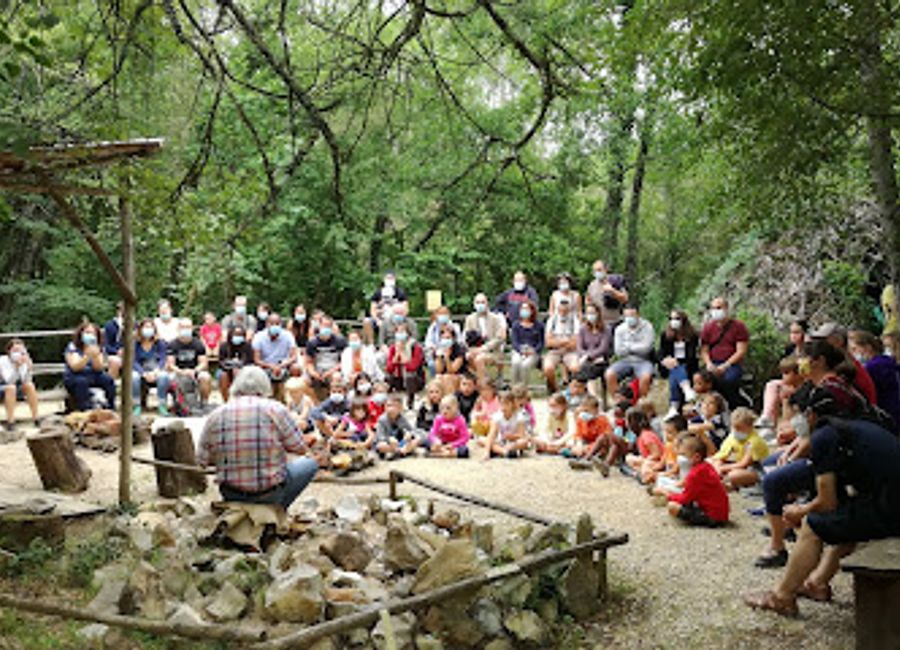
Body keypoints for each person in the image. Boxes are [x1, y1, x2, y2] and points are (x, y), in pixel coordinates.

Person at [745, 386, 900, 617]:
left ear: (810, 414)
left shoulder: (825, 436)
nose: (795, 422)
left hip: (891, 509)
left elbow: (826, 502)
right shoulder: (854, 427)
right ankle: (816, 583)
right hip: (890, 503)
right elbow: (837, 500)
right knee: (844, 518)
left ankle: (782, 597)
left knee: (813, 525)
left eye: (796, 414)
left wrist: (800, 510)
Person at [755, 341, 871, 569]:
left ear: (818, 361)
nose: (800, 363)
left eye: (803, 358)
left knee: (773, 481)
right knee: (771, 464)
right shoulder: (826, 386)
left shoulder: (831, 391)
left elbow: (823, 436)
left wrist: (795, 454)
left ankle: (777, 546)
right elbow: (810, 432)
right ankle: (787, 524)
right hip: (835, 452)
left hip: (843, 460)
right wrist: (792, 449)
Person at [197, 366, 317, 510]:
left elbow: (201, 460)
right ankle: (276, 510)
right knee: (309, 464)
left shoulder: (216, 415)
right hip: (269, 493)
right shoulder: (276, 409)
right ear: (265, 387)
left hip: (232, 493)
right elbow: (299, 448)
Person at [666, 433, 729, 527]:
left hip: (713, 517)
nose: (680, 458)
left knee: (672, 507)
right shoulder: (705, 466)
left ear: (696, 457)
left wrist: (668, 495)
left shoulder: (695, 473)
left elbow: (686, 498)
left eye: (683, 454)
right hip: (719, 512)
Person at [809, 322, 877, 405]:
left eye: (823, 340)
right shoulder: (843, 363)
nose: (817, 345)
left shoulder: (846, 368)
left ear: (838, 341)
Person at [699, 297, 749, 408]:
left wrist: (725, 365)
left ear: (726, 309)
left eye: (718, 308)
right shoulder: (708, 328)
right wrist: (708, 363)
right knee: (703, 381)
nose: (715, 311)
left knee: (728, 380)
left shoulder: (738, 326)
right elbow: (704, 349)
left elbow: (741, 350)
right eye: (713, 308)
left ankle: (738, 404)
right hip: (713, 362)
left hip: (732, 364)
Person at [848, 329, 900, 432]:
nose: (853, 353)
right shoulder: (886, 360)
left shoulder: (872, 367)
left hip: (888, 412)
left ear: (867, 347)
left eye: (855, 349)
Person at [710, 406, 769, 490]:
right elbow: (721, 455)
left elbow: (744, 464)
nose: (736, 431)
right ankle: (721, 481)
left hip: (756, 470)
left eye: (740, 428)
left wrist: (723, 468)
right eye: (734, 428)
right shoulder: (733, 436)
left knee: (734, 475)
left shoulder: (754, 441)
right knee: (713, 462)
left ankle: (731, 484)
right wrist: (718, 465)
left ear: (750, 427)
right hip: (739, 465)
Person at [63, 322, 116, 412]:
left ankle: (110, 407)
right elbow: (75, 367)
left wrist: (95, 356)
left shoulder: (99, 347)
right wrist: (86, 356)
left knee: (108, 380)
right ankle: (85, 409)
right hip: (75, 376)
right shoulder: (73, 347)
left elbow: (99, 368)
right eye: (87, 332)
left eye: (93, 333)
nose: (90, 335)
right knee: (81, 382)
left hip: (93, 375)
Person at [605, 305, 655, 399]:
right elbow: (618, 351)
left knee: (646, 377)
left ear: (638, 315)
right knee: (609, 374)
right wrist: (637, 347)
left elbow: (647, 348)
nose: (630, 318)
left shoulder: (647, 327)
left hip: (643, 361)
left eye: (632, 315)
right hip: (625, 360)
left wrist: (628, 347)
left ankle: (641, 403)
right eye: (627, 316)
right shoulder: (620, 329)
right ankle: (618, 402)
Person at [658, 309, 699, 415]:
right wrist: (664, 360)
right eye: (671, 319)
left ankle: (673, 406)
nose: (673, 321)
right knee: (675, 369)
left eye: (677, 318)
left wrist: (676, 361)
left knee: (676, 370)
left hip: (687, 365)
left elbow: (691, 356)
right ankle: (686, 388)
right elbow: (660, 352)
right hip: (669, 365)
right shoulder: (665, 335)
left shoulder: (692, 335)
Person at [165, 318, 212, 408]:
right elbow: (170, 364)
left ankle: (204, 402)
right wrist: (181, 372)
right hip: (177, 371)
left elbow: (204, 363)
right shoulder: (172, 344)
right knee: (167, 378)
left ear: (192, 328)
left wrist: (194, 370)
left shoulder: (198, 344)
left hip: (194, 371)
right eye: (183, 327)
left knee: (205, 377)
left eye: (188, 327)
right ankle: (176, 403)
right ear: (178, 328)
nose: (185, 329)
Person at [463, 293, 507, 384]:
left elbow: (499, 338)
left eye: (482, 302)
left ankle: (483, 386)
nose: (480, 305)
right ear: (474, 304)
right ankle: (484, 381)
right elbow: (466, 337)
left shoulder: (495, 318)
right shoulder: (470, 319)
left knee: (479, 359)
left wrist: (484, 348)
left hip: (493, 351)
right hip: (474, 350)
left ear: (487, 304)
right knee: (468, 357)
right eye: (478, 302)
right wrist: (473, 349)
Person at [253, 313, 296, 402]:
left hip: (284, 365)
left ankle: (293, 396)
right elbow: (257, 359)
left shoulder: (288, 335)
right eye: (271, 323)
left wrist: (281, 365)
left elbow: (294, 356)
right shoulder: (259, 336)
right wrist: (271, 367)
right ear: (267, 324)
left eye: (277, 324)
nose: (274, 326)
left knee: (296, 368)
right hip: (266, 366)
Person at [542, 295, 581, 393]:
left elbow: (575, 343)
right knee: (548, 368)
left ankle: (571, 391)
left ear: (569, 309)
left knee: (575, 367)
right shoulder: (552, 320)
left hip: (570, 352)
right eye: (561, 309)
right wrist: (565, 341)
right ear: (557, 308)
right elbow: (548, 342)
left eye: (565, 310)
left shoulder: (575, 320)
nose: (563, 312)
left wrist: (557, 341)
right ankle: (555, 391)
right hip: (554, 352)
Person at [132, 319, 171, 416]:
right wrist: (143, 373)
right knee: (134, 377)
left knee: (163, 376)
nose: (148, 329)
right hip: (140, 371)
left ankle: (162, 405)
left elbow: (163, 359)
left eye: (150, 327)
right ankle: (136, 405)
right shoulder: (135, 344)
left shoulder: (160, 343)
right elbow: (133, 361)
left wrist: (156, 371)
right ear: (140, 329)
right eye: (145, 327)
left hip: (156, 370)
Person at [304, 316, 347, 400]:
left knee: (337, 377)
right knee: (305, 381)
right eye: (324, 325)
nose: (326, 328)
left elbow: (344, 361)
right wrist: (313, 373)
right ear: (319, 326)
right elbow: (309, 362)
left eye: (328, 326)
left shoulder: (340, 341)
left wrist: (330, 372)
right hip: (317, 369)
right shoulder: (312, 343)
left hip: (333, 369)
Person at [758, 357, 806, 431]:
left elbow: (789, 417)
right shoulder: (785, 387)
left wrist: (786, 399)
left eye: (786, 373)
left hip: (797, 422)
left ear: (798, 374)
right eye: (782, 373)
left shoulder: (804, 389)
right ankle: (767, 416)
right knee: (772, 385)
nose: (783, 376)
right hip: (781, 419)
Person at [0, 339, 39, 430]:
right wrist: (17, 367)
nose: (18, 353)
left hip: (16, 387)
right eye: (15, 350)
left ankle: (36, 418)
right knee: (11, 388)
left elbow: (26, 380)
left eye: (21, 351)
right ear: (9, 351)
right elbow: (8, 380)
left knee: (30, 386)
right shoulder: (3, 361)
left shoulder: (23, 360)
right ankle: (11, 421)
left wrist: (28, 369)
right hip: (4, 387)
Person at [385, 322, 425, 408]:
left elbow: (412, 367)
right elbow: (389, 368)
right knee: (388, 377)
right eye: (398, 332)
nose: (400, 334)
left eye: (402, 331)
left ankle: (410, 402)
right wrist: (396, 357)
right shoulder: (393, 348)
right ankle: (389, 402)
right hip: (399, 378)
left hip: (415, 380)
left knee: (410, 375)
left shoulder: (415, 347)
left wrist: (403, 354)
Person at [624, 407, 666, 484]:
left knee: (643, 464)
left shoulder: (646, 435)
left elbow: (657, 454)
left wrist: (645, 460)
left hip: (657, 462)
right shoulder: (640, 435)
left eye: (627, 420)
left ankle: (645, 475)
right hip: (648, 460)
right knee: (629, 458)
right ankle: (641, 473)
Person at [485, 391, 531, 458]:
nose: (503, 407)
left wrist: (512, 436)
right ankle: (505, 452)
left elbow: (521, 435)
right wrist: (486, 452)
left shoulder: (519, 416)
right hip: (501, 441)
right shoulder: (496, 417)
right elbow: (491, 434)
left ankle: (505, 450)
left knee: (525, 442)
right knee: (485, 441)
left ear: (512, 404)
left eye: (506, 404)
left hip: (514, 442)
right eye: (501, 404)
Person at [585, 259, 629, 328]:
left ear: (605, 270)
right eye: (595, 271)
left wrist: (612, 291)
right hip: (599, 324)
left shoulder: (615, 281)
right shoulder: (591, 285)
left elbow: (625, 298)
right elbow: (588, 301)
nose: (597, 272)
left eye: (599, 270)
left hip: (615, 322)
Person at [576, 304, 611, 388]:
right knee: (581, 368)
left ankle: (591, 396)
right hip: (585, 360)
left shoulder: (606, 329)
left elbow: (603, 348)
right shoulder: (582, 329)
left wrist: (588, 355)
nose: (590, 315)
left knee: (587, 371)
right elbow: (579, 347)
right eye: (588, 313)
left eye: (592, 313)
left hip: (601, 360)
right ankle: (589, 395)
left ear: (598, 313)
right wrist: (586, 357)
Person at [510, 300, 544, 384]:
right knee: (516, 363)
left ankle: (523, 389)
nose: (524, 310)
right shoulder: (516, 325)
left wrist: (534, 351)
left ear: (532, 311)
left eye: (526, 308)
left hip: (533, 352)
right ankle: (514, 388)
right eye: (522, 308)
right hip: (518, 351)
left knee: (525, 365)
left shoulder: (539, 326)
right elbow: (514, 342)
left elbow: (541, 342)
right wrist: (521, 350)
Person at [375, 394, 419, 459]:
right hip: (389, 444)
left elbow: (412, 431)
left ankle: (401, 452)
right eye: (388, 406)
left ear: (400, 409)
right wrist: (388, 439)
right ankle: (399, 452)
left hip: (400, 443)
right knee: (380, 446)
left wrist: (409, 435)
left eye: (395, 406)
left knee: (416, 440)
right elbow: (380, 437)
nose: (391, 409)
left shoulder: (402, 418)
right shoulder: (382, 420)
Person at [218, 325, 254, 402]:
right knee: (222, 375)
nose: (238, 336)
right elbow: (221, 362)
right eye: (236, 334)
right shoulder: (224, 346)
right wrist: (230, 367)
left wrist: (240, 368)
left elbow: (250, 362)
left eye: (240, 335)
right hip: (226, 370)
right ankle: (226, 401)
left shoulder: (247, 346)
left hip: (244, 370)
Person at [424, 306, 461, 377]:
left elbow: (459, 341)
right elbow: (428, 343)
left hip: (453, 352)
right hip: (437, 352)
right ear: (436, 315)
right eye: (440, 313)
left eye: (445, 313)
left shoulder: (455, 326)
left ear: (449, 315)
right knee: (432, 364)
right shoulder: (432, 328)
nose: (443, 316)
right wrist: (436, 349)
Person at [434, 324, 467, 394]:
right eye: (444, 338)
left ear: (453, 338)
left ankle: (450, 401)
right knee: (438, 378)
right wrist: (439, 357)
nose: (446, 340)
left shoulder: (459, 349)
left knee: (447, 378)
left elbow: (452, 370)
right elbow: (439, 370)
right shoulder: (439, 349)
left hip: (459, 374)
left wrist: (447, 357)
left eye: (448, 338)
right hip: (445, 375)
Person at [101, 302, 125, 379]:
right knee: (115, 362)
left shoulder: (135, 325)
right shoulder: (110, 325)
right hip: (113, 354)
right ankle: (112, 386)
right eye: (121, 310)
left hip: (131, 355)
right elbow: (106, 345)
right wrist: (117, 351)